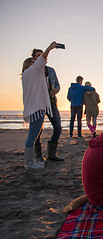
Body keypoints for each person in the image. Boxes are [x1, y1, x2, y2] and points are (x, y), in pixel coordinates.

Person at [21, 42, 57, 170]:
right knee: (33, 136)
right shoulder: (31, 71)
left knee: (33, 135)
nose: (35, 64)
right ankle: (30, 163)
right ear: (29, 65)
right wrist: (50, 48)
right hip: (36, 109)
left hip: (33, 108)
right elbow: (41, 60)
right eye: (32, 62)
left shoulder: (27, 76)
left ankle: (30, 162)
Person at [31, 48, 64, 162]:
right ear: (34, 58)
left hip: (51, 102)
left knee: (58, 127)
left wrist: (55, 90)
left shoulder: (51, 70)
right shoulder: (32, 71)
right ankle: (39, 155)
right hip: (38, 103)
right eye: (38, 55)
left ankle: (52, 154)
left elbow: (58, 85)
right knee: (37, 130)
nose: (41, 57)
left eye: (42, 55)